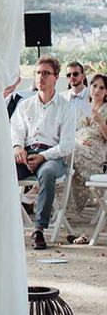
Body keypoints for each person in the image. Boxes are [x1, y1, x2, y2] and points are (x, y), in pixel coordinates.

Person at [10, 56, 77, 250]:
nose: (41, 77)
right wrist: (17, 147)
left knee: (47, 173)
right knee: (3, 170)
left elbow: (66, 146)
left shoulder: (66, 108)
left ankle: (38, 230)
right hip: (27, 151)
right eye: (38, 73)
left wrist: (43, 156)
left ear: (56, 77)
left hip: (52, 156)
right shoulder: (25, 105)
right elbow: (16, 131)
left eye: (46, 73)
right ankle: (3, 225)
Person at [67, 73, 107, 238]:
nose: (97, 90)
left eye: (102, 87)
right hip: (79, 147)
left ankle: (36, 188)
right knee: (67, 149)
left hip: (97, 155)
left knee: (67, 152)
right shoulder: (81, 108)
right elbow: (71, 132)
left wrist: (100, 121)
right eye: (94, 86)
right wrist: (78, 139)